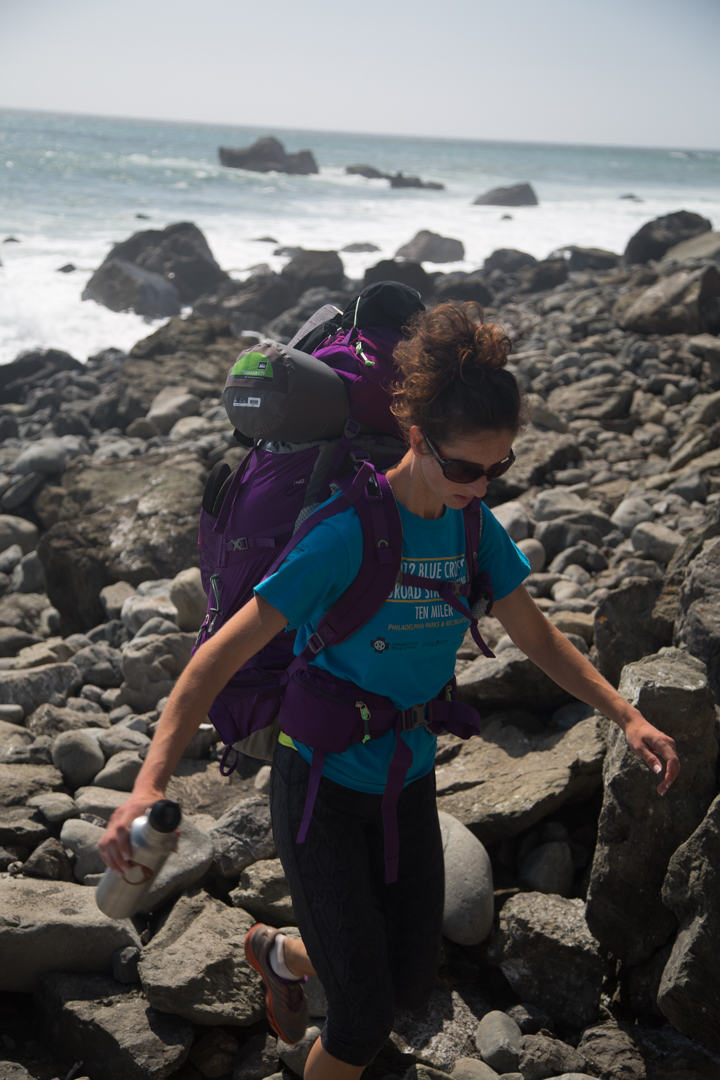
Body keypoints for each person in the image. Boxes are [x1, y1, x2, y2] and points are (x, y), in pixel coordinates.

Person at [100, 302, 680, 1080]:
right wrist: (146, 784)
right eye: (466, 467)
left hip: (407, 777)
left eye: (499, 468)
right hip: (322, 789)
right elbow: (213, 661)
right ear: (417, 438)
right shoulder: (345, 533)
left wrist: (626, 716)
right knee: (364, 1020)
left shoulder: (474, 529)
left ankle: (280, 953)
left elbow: (537, 636)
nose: (482, 485)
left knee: (409, 985)